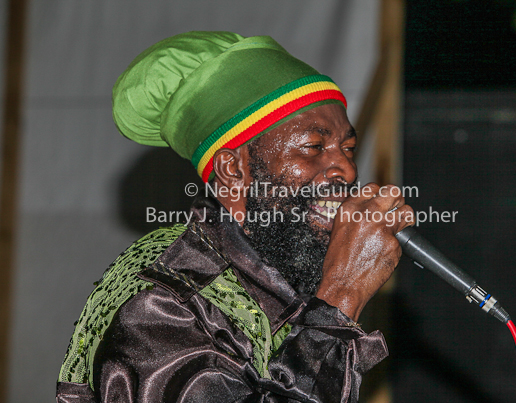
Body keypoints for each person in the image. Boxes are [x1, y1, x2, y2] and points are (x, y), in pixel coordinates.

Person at [56, 31, 414, 403]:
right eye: (314, 146)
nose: (348, 170)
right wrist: (342, 293)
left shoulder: (276, 276)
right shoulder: (164, 302)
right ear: (232, 168)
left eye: (348, 147)